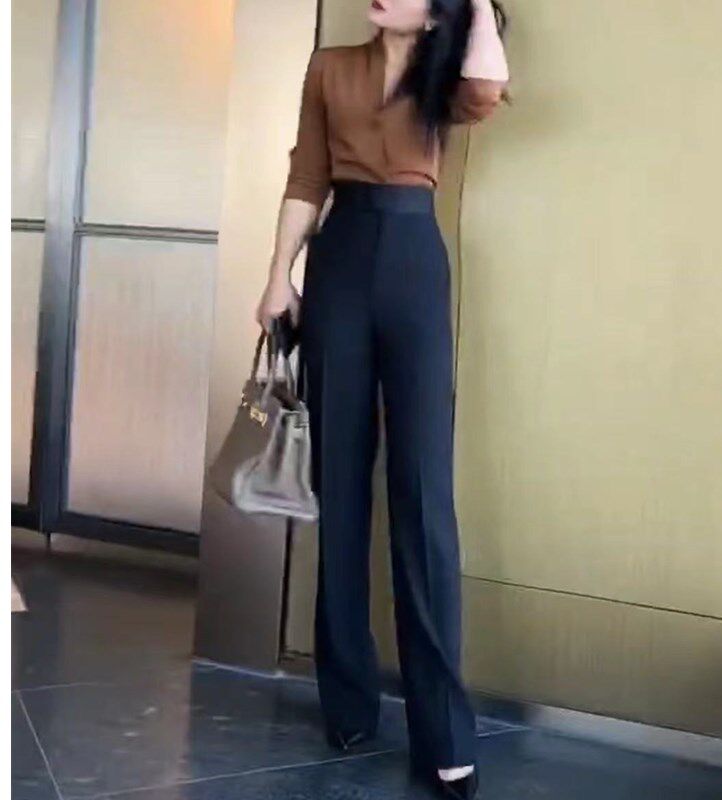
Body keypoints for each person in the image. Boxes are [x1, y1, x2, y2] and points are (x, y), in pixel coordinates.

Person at [255, 1, 509, 797]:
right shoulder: (331, 67)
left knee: (423, 491)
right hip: (339, 260)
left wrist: (471, 6)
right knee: (339, 479)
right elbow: (307, 175)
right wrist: (277, 276)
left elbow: (488, 87)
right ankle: (348, 698)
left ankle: (444, 732)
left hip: (412, 260)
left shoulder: (446, 72)